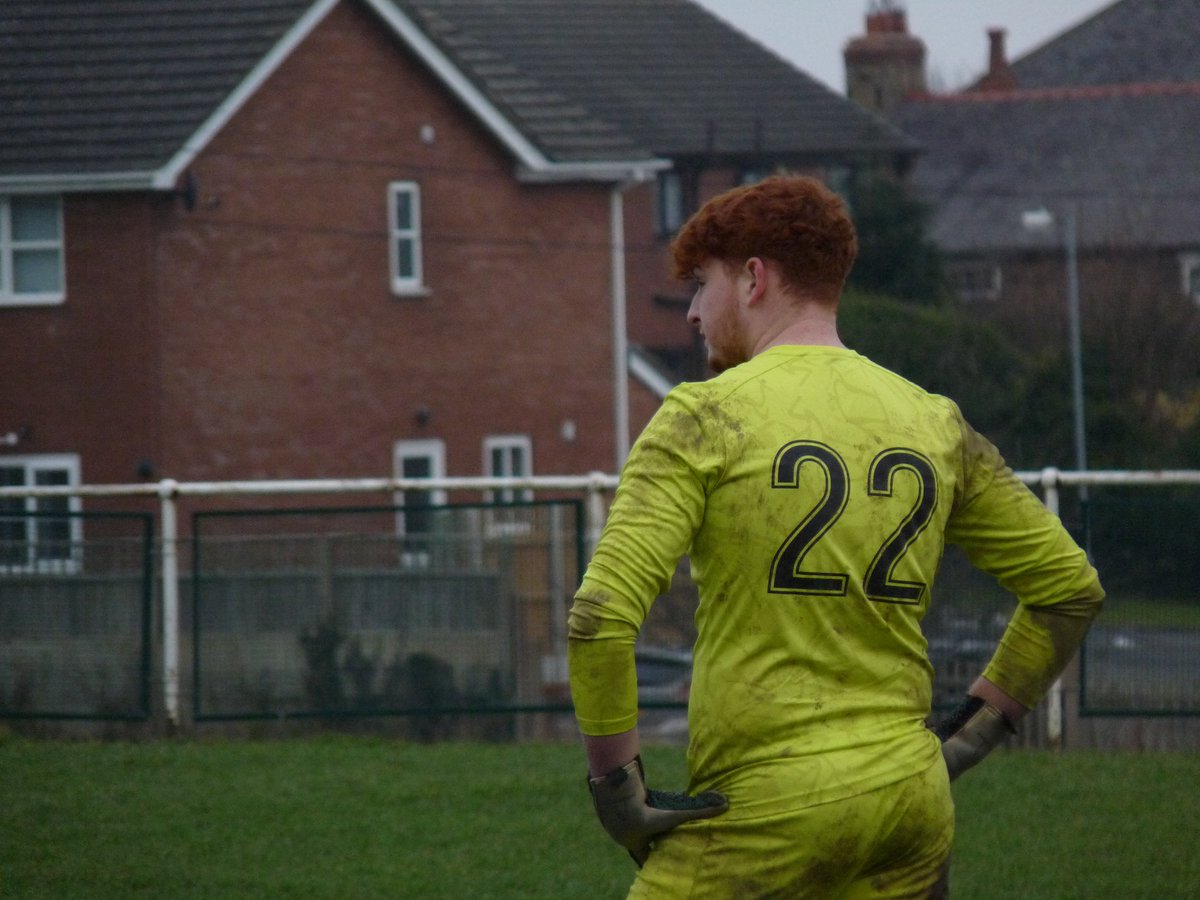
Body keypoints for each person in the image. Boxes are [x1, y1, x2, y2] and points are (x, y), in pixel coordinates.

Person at [567, 174, 1104, 898]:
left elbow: (598, 618)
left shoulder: (702, 415)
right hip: (911, 804)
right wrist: (973, 730)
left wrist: (619, 796)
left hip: (767, 807)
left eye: (702, 284)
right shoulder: (933, 420)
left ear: (754, 278)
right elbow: (1070, 589)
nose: (693, 312)